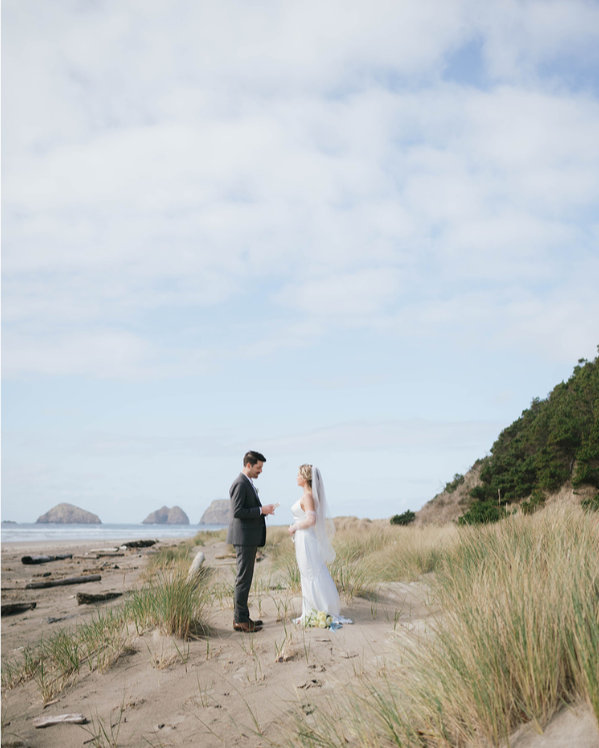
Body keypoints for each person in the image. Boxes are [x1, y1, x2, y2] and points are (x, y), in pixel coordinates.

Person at [227, 451, 275, 632]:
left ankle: (243, 618)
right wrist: (260, 510)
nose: (261, 471)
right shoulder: (239, 484)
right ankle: (240, 620)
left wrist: (263, 510)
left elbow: (247, 508)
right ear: (248, 465)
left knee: (245, 578)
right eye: (258, 467)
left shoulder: (247, 483)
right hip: (244, 538)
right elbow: (237, 511)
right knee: (243, 579)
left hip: (248, 538)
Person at [288, 464, 342, 623]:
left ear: (305, 478)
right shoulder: (309, 496)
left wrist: (294, 527)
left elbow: (311, 520)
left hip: (306, 539)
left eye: (298, 474)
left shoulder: (308, 497)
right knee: (307, 572)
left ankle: (319, 608)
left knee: (310, 572)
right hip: (303, 538)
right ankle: (311, 609)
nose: (296, 477)